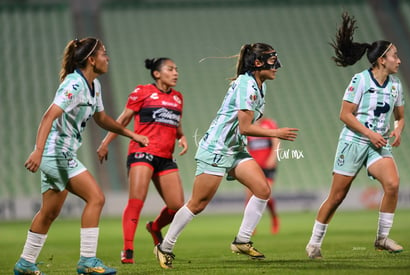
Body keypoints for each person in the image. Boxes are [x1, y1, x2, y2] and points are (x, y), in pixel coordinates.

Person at [153, 43, 299, 269]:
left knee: (262, 190)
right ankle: (165, 247)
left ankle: (242, 240)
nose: (277, 66)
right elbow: (245, 127)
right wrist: (275, 133)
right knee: (197, 204)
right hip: (216, 149)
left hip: (234, 149)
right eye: (272, 61)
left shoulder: (259, 85)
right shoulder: (246, 85)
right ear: (258, 63)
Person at [14, 37, 149, 275]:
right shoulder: (74, 85)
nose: (107, 58)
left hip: (61, 153)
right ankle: (87, 261)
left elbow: (102, 119)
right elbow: (48, 117)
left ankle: (25, 263)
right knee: (96, 197)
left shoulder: (93, 86)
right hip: (56, 152)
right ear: (91, 59)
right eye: (104, 53)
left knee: (49, 213)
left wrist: (131, 134)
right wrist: (38, 150)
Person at [306, 12, 405, 259]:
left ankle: (382, 238)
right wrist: (370, 133)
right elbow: (345, 114)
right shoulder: (360, 80)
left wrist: (398, 129)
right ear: (382, 60)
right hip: (354, 142)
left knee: (392, 184)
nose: (399, 61)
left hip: (377, 145)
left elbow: (400, 116)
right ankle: (314, 243)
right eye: (395, 56)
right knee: (337, 196)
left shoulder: (395, 86)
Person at [97, 57, 187, 264]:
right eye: (171, 69)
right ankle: (128, 249)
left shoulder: (178, 98)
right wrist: (105, 142)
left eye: (177, 69)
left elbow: (175, 123)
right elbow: (123, 120)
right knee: (136, 201)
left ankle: (154, 227)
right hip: (142, 152)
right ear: (157, 73)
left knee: (177, 207)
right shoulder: (142, 92)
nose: (176, 73)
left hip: (166, 157)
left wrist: (181, 137)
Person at [246, 117, 280, 234]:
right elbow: (245, 146)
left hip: (267, 166)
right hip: (253, 166)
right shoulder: (246, 125)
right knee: (250, 196)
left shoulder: (269, 123)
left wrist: (273, 157)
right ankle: (251, 226)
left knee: (267, 194)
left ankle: (274, 218)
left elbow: (276, 142)